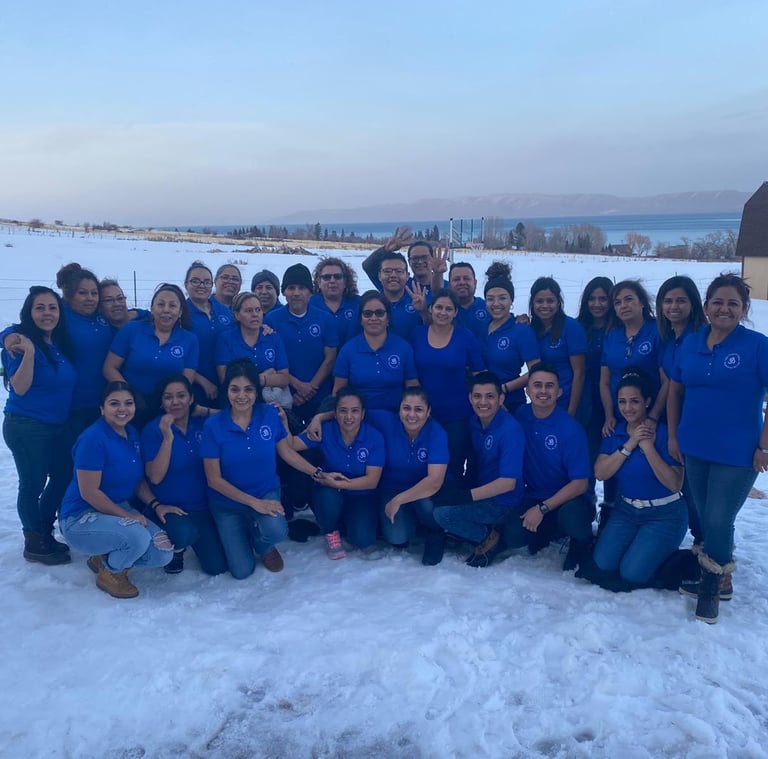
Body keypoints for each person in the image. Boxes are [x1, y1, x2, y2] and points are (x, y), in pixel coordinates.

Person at [668, 273, 768, 624]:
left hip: (739, 451)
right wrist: (673, 436)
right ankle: (718, 572)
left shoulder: (758, 345)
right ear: (707, 306)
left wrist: (765, 446)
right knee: (703, 510)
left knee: (718, 517)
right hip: (694, 445)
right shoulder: (692, 343)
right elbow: (676, 391)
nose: (724, 309)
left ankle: (713, 586)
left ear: (743, 310)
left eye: (733, 303)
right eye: (718, 302)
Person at [200, 359, 321, 579]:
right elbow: (214, 480)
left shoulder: (270, 415)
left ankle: (263, 545)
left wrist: (317, 473)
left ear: (257, 392)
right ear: (227, 391)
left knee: (277, 530)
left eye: (248, 389)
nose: (241, 396)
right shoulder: (213, 426)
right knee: (242, 571)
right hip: (227, 504)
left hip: (265, 492)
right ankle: (243, 528)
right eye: (234, 389)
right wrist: (255, 504)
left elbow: (287, 453)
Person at [59, 382, 174, 598]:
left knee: (163, 551)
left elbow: (137, 480)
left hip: (115, 510)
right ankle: (111, 573)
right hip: (81, 515)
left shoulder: (131, 433)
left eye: (128, 403)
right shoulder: (93, 439)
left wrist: (155, 504)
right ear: (102, 408)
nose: (122, 409)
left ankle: (102, 556)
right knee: (137, 537)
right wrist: (127, 515)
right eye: (114, 403)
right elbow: (89, 492)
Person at [2, 286, 76, 564]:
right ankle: (33, 540)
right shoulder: (19, 343)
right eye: (40, 308)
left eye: (52, 308)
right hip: (26, 426)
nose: (47, 313)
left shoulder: (57, 343)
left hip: (56, 426)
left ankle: (44, 529)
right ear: (29, 312)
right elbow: (19, 387)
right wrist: (30, 353)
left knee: (61, 476)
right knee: (32, 484)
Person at [591, 370, 686, 586]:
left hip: (664, 515)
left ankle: (670, 557)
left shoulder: (664, 433)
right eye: (622, 402)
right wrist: (630, 444)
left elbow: (674, 484)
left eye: (634, 401)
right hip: (626, 511)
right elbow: (600, 473)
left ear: (647, 402)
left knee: (632, 574)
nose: (627, 408)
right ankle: (643, 548)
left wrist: (648, 448)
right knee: (603, 563)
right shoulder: (614, 432)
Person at [502, 364, 594, 570]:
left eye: (549, 386)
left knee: (572, 517)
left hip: (570, 499)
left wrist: (542, 508)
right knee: (513, 537)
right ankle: (550, 529)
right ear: (527, 390)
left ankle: (582, 543)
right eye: (537, 385)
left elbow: (580, 483)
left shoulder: (570, 429)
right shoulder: (521, 415)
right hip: (535, 495)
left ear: (559, 392)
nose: (543, 391)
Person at [432, 371, 525, 568]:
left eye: (490, 396)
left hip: (503, 501)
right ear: (470, 398)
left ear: (501, 399)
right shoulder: (474, 422)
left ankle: (489, 537)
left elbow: (509, 483)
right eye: (477, 396)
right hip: (482, 489)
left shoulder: (510, 430)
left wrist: (466, 496)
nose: (483, 402)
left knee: (443, 515)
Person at [141, 375, 228, 576]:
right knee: (183, 533)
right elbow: (154, 477)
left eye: (181, 396)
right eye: (168, 397)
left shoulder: (203, 424)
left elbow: (236, 416)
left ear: (190, 399)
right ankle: (177, 549)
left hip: (203, 507)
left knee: (218, 567)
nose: (175, 402)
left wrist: (205, 410)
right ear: (162, 403)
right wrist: (168, 439)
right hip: (170, 509)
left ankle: (196, 536)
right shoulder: (153, 430)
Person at [282, 388, 385, 557]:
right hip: (329, 490)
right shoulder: (326, 430)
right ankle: (331, 530)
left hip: (361, 494)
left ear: (363, 414)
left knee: (363, 540)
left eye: (355, 411)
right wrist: (284, 422)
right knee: (326, 497)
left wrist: (340, 483)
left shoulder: (374, 437)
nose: (349, 417)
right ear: (335, 414)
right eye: (343, 411)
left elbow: (372, 480)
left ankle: (346, 522)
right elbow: (290, 445)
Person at [600, 280, 664, 528]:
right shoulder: (612, 336)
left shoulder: (656, 331)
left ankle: (655, 519)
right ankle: (611, 515)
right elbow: (604, 382)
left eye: (629, 299)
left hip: (649, 413)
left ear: (641, 302)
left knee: (650, 463)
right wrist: (609, 415)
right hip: (619, 414)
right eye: (618, 302)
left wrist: (654, 416)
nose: (623, 306)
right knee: (615, 462)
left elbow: (667, 381)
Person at [410, 288, 484, 483]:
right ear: (431, 309)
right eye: (439, 307)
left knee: (454, 464)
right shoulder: (417, 333)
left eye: (448, 309)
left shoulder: (465, 336)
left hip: (457, 414)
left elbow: (479, 374)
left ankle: (450, 508)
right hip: (424, 414)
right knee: (423, 464)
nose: (443, 312)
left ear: (455, 313)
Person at [369, 388, 449, 565]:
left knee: (426, 505)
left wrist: (398, 500)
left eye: (418, 409)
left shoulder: (436, 433)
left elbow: (434, 481)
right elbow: (351, 411)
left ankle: (435, 533)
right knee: (397, 538)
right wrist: (320, 418)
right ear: (399, 409)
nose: (411, 414)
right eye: (406, 408)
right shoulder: (385, 421)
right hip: (391, 487)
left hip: (424, 489)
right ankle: (410, 523)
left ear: (428, 412)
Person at [103, 283, 200, 427]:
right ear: (152, 308)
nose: (166, 310)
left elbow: (186, 380)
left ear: (180, 312)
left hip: (168, 410)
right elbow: (109, 368)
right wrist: (130, 394)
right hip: (130, 408)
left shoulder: (190, 340)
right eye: (161, 305)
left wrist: (168, 400)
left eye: (172, 306)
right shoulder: (131, 330)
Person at [656, 275, 706, 545]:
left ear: (693, 304)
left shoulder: (699, 337)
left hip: (694, 422)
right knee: (685, 486)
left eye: (681, 301)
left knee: (696, 490)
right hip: (672, 419)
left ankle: (709, 548)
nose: (674, 306)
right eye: (668, 301)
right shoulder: (668, 337)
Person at [264, 263, 338, 423]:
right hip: (285, 397)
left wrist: (309, 389)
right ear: (283, 292)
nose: (296, 293)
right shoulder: (272, 319)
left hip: (319, 396)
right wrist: (298, 386)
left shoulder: (325, 319)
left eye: (302, 288)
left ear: (310, 292)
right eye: (291, 288)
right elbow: (271, 359)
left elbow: (330, 358)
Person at [333, 291, 419, 411]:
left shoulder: (404, 348)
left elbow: (413, 388)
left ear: (388, 317)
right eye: (367, 314)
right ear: (360, 320)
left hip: (397, 418)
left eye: (379, 313)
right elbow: (338, 392)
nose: (373, 318)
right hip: (356, 420)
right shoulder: (347, 350)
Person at [481, 262, 540, 414]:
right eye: (490, 299)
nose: (496, 304)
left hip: (511, 403)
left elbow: (536, 371)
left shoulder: (521, 331)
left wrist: (504, 388)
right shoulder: (481, 327)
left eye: (502, 298)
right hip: (481, 403)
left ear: (511, 301)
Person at [576, 276, 614, 505]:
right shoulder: (578, 327)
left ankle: (611, 508)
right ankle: (585, 506)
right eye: (592, 298)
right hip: (586, 403)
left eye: (603, 299)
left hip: (616, 402)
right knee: (587, 458)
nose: (597, 304)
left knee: (615, 459)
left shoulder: (620, 329)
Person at [215, 292, 290, 403]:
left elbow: (284, 378)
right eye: (249, 311)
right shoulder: (226, 339)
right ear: (237, 315)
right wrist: (267, 376)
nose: (255, 314)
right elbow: (225, 379)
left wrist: (261, 379)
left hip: (269, 402)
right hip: (237, 402)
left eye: (258, 310)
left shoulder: (273, 338)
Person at [529, 277, 587, 416]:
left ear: (558, 302)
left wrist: (571, 412)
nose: (545, 305)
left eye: (550, 301)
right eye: (539, 301)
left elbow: (579, 373)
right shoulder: (532, 329)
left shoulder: (571, 328)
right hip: (542, 400)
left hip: (568, 400)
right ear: (532, 303)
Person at [184, 261, 234, 406]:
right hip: (195, 386)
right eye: (195, 281)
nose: (201, 285)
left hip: (225, 385)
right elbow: (177, 355)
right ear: (186, 284)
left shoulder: (224, 311)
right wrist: (202, 381)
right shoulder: (181, 313)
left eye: (206, 282)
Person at [362, 226, 445, 298]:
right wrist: (385, 249)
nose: (420, 262)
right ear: (409, 261)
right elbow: (367, 266)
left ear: (433, 259)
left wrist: (438, 274)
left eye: (424, 257)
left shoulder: (448, 286)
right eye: (415, 258)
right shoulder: (399, 284)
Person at [368, 251, 428, 341]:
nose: (393, 275)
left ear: (407, 276)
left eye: (399, 271)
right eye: (387, 271)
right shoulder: (371, 305)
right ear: (379, 276)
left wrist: (424, 311)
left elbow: (435, 331)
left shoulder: (419, 301)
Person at [309, 256, 360, 346]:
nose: (332, 281)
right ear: (319, 282)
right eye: (327, 277)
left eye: (337, 277)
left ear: (345, 281)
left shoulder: (359, 304)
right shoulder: (309, 305)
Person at [447, 261, 491, 341]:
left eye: (466, 278)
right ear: (449, 285)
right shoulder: (444, 310)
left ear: (475, 283)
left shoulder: (488, 307)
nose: (462, 282)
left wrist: (520, 319)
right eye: (456, 279)